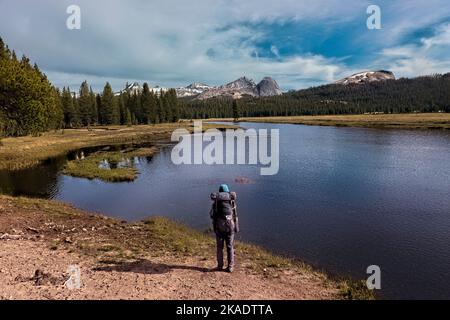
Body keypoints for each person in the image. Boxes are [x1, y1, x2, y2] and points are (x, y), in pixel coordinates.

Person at [210, 184, 239, 273]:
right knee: (230, 247)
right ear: (227, 191)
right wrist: (236, 227)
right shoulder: (232, 200)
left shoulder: (216, 202)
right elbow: (235, 214)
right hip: (230, 226)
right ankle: (230, 267)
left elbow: (212, 215)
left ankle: (220, 266)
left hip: (219, 227)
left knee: (220, 247)